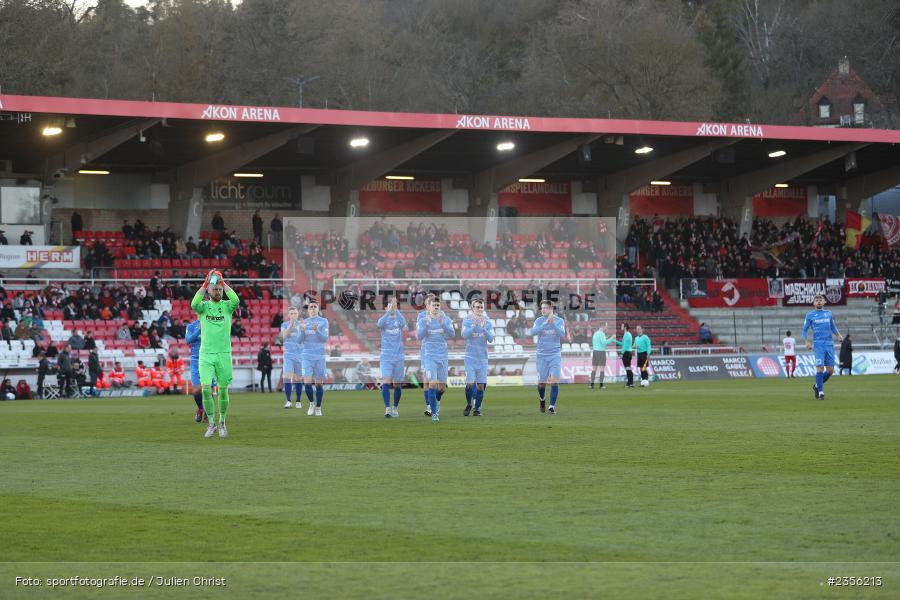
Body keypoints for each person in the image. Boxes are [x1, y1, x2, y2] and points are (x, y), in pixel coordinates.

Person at [191, 270, 241, 437]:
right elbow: (193, 304)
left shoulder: (227, 307)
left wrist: (223, 282)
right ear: (209, 292)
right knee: (206, 389)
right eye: (215, 289)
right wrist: (205, 284)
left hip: (223, 354)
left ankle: (222, 422)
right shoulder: (203, 308)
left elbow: (236, 299)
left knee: (223, 390)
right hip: (206, 354)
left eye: (220, 290)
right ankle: (211, 423)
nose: (218, 292)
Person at [416, 295, 455, 422]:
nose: (436, 307)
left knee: (442, 388)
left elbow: (453, 334)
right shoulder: (423, 318)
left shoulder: (445, 318)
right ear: (428, 306)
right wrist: (426, 325)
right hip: (428, 355)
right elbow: (419, 336)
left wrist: (442, 323)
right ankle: (433, 412)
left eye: (437, 305)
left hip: (443, 356)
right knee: (431, 383)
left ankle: (436, 402)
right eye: (433, 304)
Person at [802, 294, 843, 400]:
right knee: (819, 368)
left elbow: (833, 326)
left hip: (829, 344)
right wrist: (806, 342)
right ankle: (821, 392)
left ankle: (816, 386)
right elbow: (805, 329)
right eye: (817, 300)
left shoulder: (828, 313)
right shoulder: (810, 315)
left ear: (824, 302)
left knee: (830, 370)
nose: (819, 301)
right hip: (818, 345)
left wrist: (838, 335)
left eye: (820, 300)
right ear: (814, 303)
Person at [529, 300, 565, 414]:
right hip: (541, 355)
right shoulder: (539, 320)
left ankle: (551, 407)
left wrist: (552, 324)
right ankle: (542, 399)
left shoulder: (559, 321)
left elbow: (562, 334)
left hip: (555, 354)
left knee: (554, 381)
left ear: (551, 308)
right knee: (541, 384)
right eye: (542, 308)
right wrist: (545, 324)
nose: (543, 310)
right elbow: (532, 332)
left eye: (545, 308)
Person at [461, 297, 493, 416]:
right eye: (477, 307)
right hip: (470, 357)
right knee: (470, 383)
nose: (479, 309)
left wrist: (484, 329)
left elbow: (491, 339)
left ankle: (477, 409)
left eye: (481, 307)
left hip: (482, 358)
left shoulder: (488, 321)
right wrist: (474, 326)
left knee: (480, 386)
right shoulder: (467, 321)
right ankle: (469, 404)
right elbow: (464, 335)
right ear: (472, 308)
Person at [376, 296, 407, 418]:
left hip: (399, 357)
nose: (392, 307)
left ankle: (395, 407)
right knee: (386, 382)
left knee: (398, 384)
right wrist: (389, 311)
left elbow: (404, 323)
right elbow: (379, 324)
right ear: (385, 307)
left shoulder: (399, 320)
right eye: (389, 305)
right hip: (386, 357)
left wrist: (396, 309)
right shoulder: (383, 321)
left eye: (394, 305)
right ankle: (387, 408)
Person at [300, 301, 329, 416]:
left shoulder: (323, 321)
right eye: (310, 307)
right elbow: (299, 340)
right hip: (306, 356)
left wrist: (317, 331)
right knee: (307, 382)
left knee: (319, 384)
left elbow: (324, 339)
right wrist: (302, 330)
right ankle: (311, 403)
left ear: (318, 309)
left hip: (319, 356)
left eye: (314, 307)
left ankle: (318, 407)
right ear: (308, 310)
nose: (312, 308)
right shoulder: (304, 323)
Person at [279, 306, 305, 408]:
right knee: (287, 378)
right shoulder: (284, 325)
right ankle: (288, 401)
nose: (293, 315)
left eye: (295, 313)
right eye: (291, 313)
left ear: (297, 314)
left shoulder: (302, 325)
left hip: (300, 355)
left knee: (298, 379)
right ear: (288, 315)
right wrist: (291, 326)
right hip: (289, 355)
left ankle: (298, 401)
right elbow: (283, 336)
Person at [590, 324, 617, 390]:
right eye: (606, 327)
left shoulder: (595, 333)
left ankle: (591, 385)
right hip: (601, 352)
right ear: (603, 327)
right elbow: (604, 342)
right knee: (601, 369)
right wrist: (612, 338)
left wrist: (607, 338)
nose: (606, 328)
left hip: (595, 352)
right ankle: (601, 385)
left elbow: (598, 342)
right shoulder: (601, 333)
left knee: (594, 369)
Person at [620, 323, 634, 388]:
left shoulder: (627, 335)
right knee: (628, 368)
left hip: (627, 353)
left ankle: (630, 383)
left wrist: (622, 353)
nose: (621, 327)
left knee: (628, 368)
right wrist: (614, 341)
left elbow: (625, 346)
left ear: (625, 327)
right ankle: (629, 383)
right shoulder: (627, 334)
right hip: (628, 352)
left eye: (622, 326)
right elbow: (623, 344)